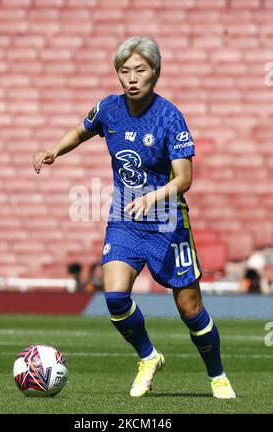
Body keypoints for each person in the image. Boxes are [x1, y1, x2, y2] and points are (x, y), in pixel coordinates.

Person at [33, 36, 236, 399]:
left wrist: (153, 198)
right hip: (125, 219)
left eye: (139, 70)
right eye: (124, 70)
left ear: (154, 72)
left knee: (190, 309)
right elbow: (81, 131)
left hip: (167, 222)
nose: (131, 77)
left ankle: (217, 374)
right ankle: (148, 356)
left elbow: (184, 179)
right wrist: (53, 150)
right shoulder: (109, 108)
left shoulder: (169, 116)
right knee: (114, 297)